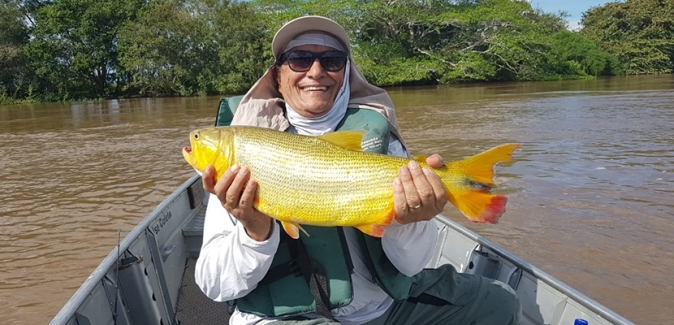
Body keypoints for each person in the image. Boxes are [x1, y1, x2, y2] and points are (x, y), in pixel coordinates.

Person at [194, 15, 521, 325]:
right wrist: (254, 229)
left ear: (346, 71)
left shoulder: (379, 140)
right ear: (277, 75)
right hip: (284, 317)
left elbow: (411, 265)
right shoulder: (245, 145)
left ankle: (466, 182)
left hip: (382, 308)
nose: (316, 71)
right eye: (299, 58)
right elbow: (216, 286)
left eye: (332, 60)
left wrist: (409, 223)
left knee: (501, 302)